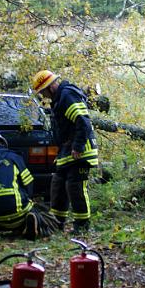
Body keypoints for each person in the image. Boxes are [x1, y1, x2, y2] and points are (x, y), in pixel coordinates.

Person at [31, 70, 98, 232]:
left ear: (50, 87)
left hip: (80, 151)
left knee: (75, 188)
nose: (44, 96)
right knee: (58, 185)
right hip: (66, 152)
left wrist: (78, 146)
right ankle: (56, 223)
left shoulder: (67, 95)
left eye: (44, 92)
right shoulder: (59, 99)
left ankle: (82, 226)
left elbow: (83, 121)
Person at [0, 131, 60, 239]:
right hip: (16, 212)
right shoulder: (13, 157)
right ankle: (34, 224)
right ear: (3, 144)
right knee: (42, 212)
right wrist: (28, 199)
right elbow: (28, 182)